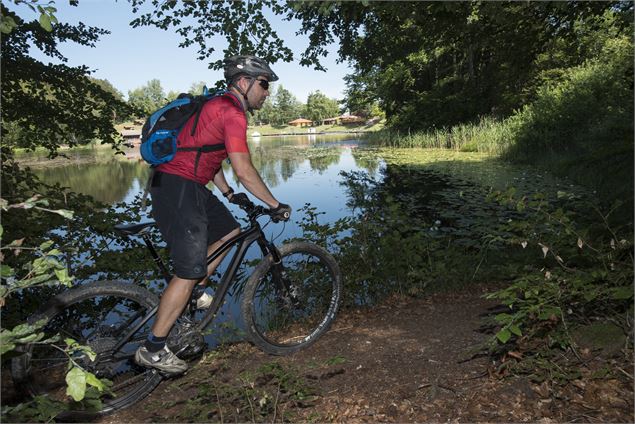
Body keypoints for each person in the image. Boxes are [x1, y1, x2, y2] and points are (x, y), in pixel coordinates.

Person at [135, 55, 291, 375]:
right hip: (179, 187)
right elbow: (244, 169)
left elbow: (208, 154)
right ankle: (152, 348)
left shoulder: (215, 106)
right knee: (188, 271)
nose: (267, 92)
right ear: (244, 83)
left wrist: (229, 193)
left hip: (184, 184)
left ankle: (196, 290)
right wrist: (275, 204)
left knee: (230, 232)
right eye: (263, 84)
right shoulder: (231, 112)